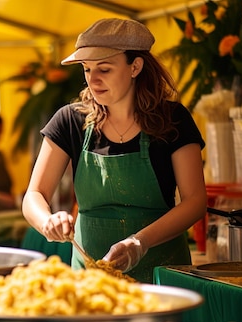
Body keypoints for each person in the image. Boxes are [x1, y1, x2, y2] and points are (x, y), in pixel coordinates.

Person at [21, 18, 207, 283]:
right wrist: (46, 221)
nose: (92, 80)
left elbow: (195, 201)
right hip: (91, 281)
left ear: (135, 67)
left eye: (104, 69)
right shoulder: (70, 120)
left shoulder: (173, 119)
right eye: (86, 69)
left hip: (161, 275)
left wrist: (140, 242)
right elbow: (34, 195)